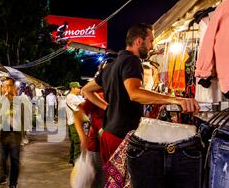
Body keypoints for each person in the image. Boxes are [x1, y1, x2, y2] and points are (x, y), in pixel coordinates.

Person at [82, 23, 199, 163]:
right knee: (129, 183)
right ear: (139, 41)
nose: (152, 47)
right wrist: (177, 100)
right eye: (150, 41)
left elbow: (86, 90)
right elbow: (135, 93)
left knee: (113, 182)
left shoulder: (111, 65)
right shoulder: (132, 60)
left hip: (108, 133)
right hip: (122, 135)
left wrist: (107, 107)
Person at [74, 89, 107, 188]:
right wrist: (82, 137)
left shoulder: (120, 93)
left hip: (111, 147)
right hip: (97, 147)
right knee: (99, 183)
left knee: (104, 183)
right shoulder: (98, 95)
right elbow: (77, 115)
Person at [0, 77, 31, 188]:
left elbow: (26, 119)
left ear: (14, 87)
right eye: (5, 86)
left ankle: (12, 185)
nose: (7, 88)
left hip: (15, 136)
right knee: (3, 159)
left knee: (15, 161)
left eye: (9, 85)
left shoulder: (20, 101)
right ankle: (3, 175)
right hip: (3, 136)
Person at [66, 82, 84, 165]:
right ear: (72, 88)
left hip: (72, 121)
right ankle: (76, 161)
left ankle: (72, 158)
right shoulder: (72, 97)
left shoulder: (73, 96)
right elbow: (83, 104)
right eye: (78, 88)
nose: (79, 89)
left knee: (73, 141)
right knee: (77, 142)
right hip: (74, 122)